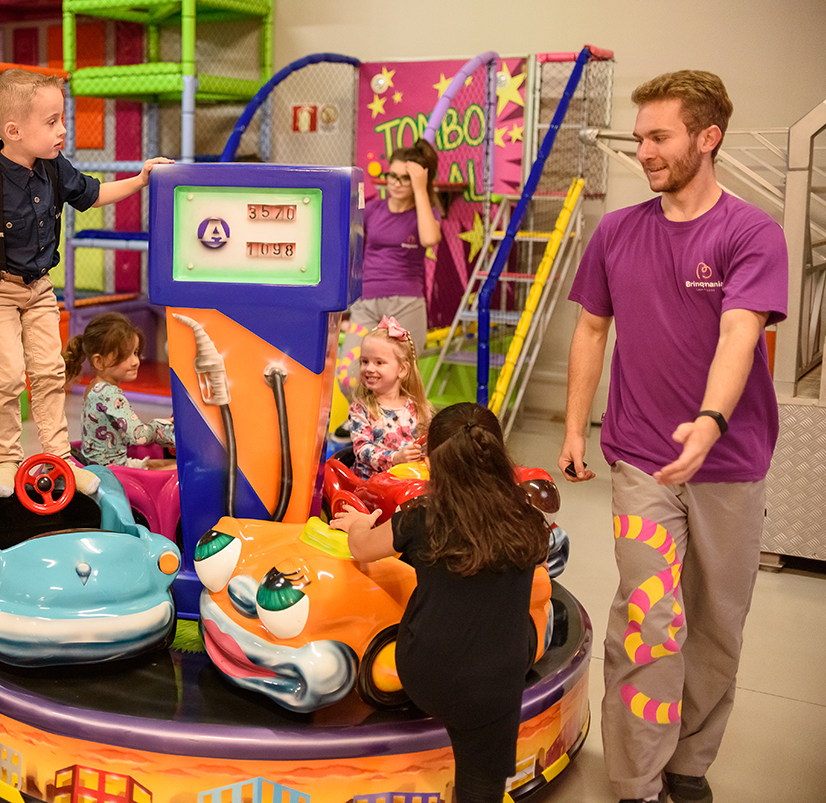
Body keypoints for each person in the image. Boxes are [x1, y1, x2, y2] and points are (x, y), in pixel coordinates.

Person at [558, 71, 788, 803]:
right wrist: (572, 427)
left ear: (707, 137)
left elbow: (739, 333)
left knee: (717, 627)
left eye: (659, 137)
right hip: (644, 463)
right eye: (642, 137)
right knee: (650, 619)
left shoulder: (751, 233)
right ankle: (635, 780)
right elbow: (592, 327)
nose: (645, 151)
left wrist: (712, 419)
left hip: (731, 465)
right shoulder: (618, 232)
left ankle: (688, 763)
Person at [0, 69, 172, 497]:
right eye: (51, 122)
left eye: (61, 119)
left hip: (40, 289)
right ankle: (7, 460)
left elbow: (91, 194)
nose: (62, 129)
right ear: (14, 130)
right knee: (8, 376)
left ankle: (60, 455)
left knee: (48, 371)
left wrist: (139, 180)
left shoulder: (53, 167)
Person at [331, 402, 550, 803]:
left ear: (432, 463)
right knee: (482, 780)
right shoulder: (527, 516)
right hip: (497, 680)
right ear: (497, 453)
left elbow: (361, 548)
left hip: (427, 674)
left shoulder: (422, 517)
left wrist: (362, 523)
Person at [338, 140, 442, 393]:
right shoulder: (373, 210)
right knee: (349, 378)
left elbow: (430, 239)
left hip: (405, 304)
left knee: (401, 383)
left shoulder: (426, 212)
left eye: (405, 178)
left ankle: (393, 431)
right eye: (392, 175)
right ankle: (369, 423)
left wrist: (420, 190)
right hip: (367, 304)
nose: (395, 182)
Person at [63, 312, 175, 470]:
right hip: (112, 469)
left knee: (165, 464)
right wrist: (159, 428)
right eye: (124, 356)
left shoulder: (94, 386)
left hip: (102, 463)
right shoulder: (110, 394)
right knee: (180, 470)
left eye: (135, 353)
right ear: (99, 361)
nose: (135, 362)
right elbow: (139, 436)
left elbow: (122, 430)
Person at [347, 316, 432, 479]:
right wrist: (395, 458)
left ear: (402, 370)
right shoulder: (361, 409)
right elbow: (362, 450)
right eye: (365, 361)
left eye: (379, 363)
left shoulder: (419, 408)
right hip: (374, 485)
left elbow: (430, 444)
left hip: (410, 480)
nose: (369, 368)